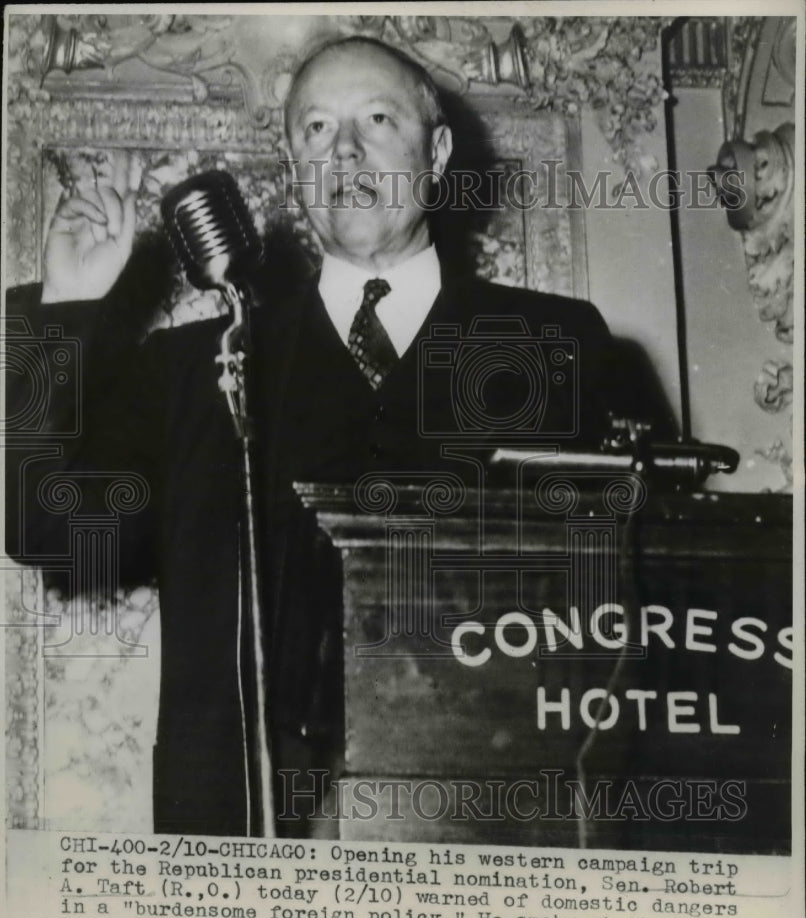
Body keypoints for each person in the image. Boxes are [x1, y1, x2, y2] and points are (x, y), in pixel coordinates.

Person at [6, 36, 629, 836]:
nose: (346, 151)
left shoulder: (554, 346)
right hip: (246, 841)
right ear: (293, 165)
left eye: (377, 120)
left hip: (488, 833)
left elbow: (621, 606)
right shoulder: (191, 370)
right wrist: (66, 311)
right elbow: (41, 524)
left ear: (438, 152)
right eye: (317, 128)